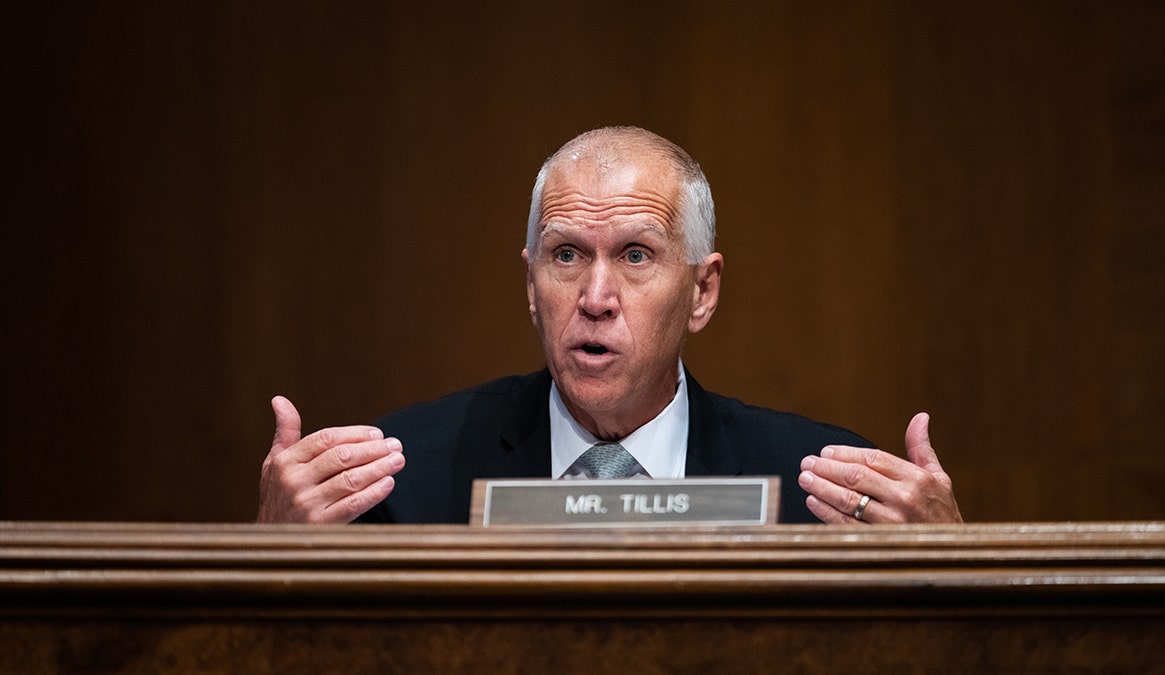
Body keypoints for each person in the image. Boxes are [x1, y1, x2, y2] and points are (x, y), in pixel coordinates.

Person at [257, 126, 962, 526]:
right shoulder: (395, 484)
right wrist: (268, 561)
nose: (596, 295)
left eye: (635, 255)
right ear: (532, 286)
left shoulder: (823, 491)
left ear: (701, 292)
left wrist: (955, 577)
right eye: (567, 254)